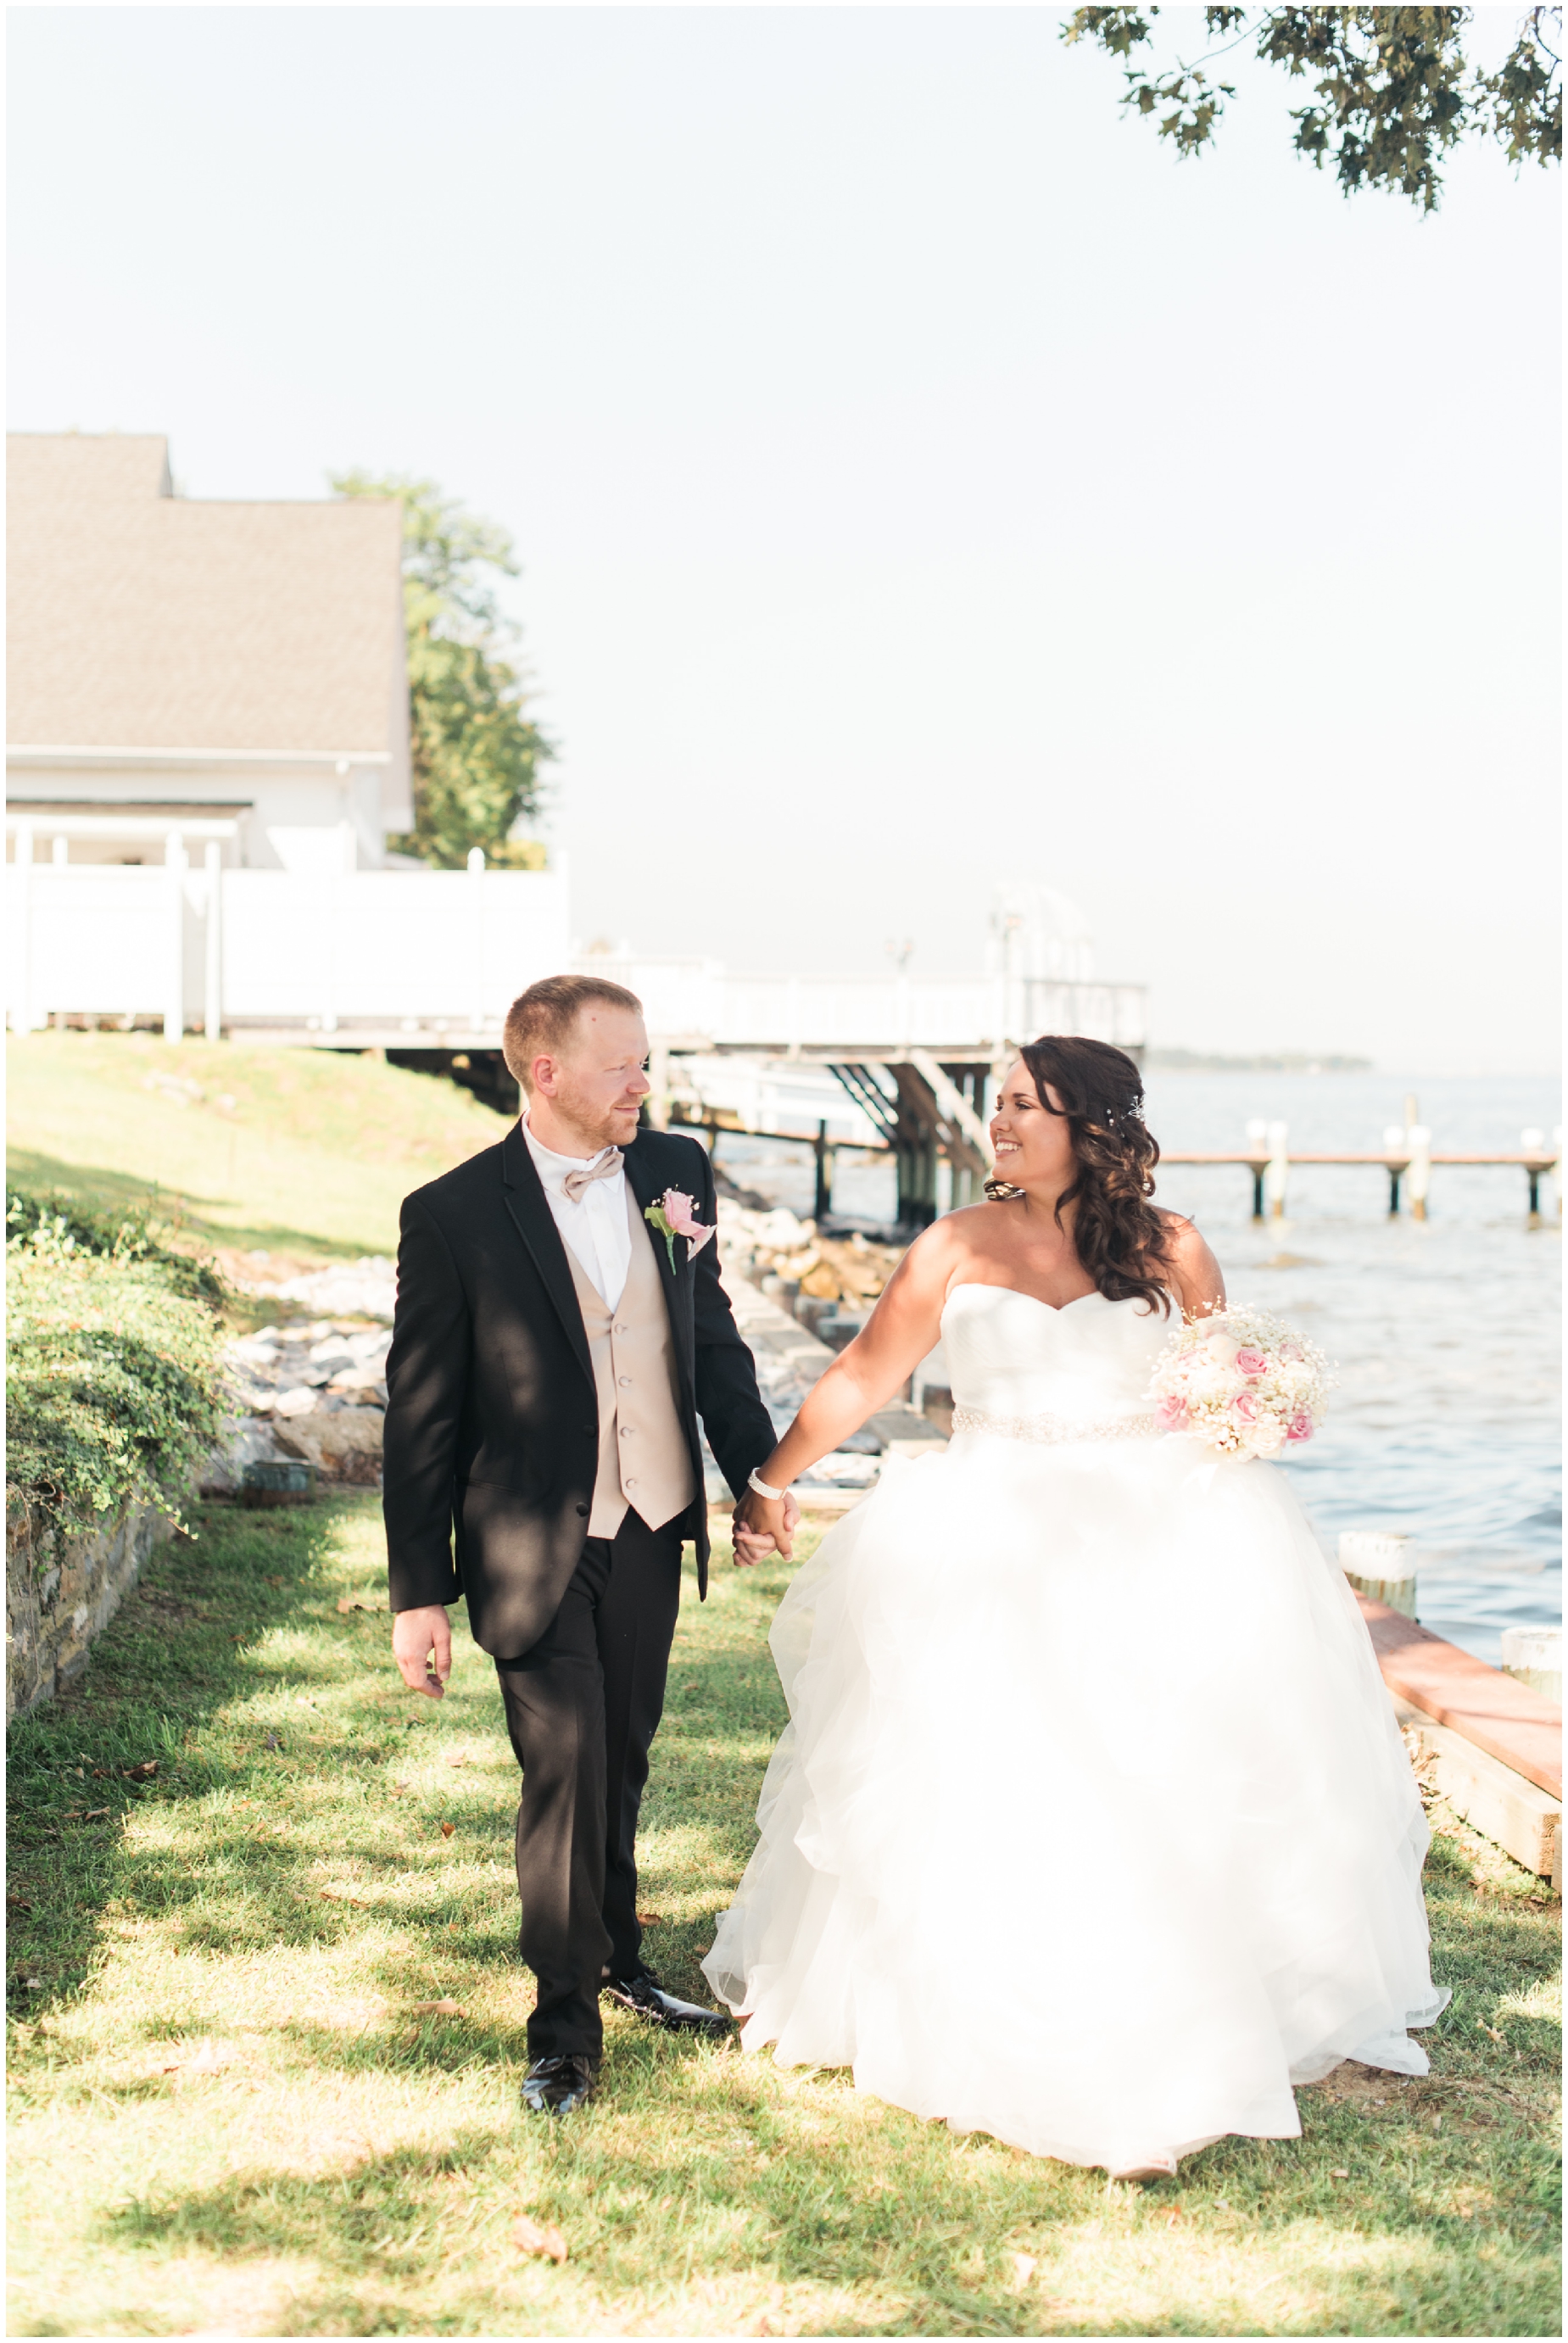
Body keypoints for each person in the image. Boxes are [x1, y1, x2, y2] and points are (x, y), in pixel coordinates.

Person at [708, 1035, 1448, 2180]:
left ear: (1089, 1122)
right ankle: (979, 1993)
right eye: (996, 1105)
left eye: (1022, 1107)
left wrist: (1248, 1418)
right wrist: (769, 1478)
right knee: (987, 1765)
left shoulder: (1173, 1247)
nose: (998, 1124)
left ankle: (1168, 2004)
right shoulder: (953, 1243)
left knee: (1153, 1770)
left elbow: (1221, 1388)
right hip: (987, 1525)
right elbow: (865, 1374)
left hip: (1156, 1528)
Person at [382, 973, 794, 2117]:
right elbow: (420, 1413)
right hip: (527, 1532)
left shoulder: (673, 1176)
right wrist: (419, 1593)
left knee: (620, 1758)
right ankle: (561, 2035)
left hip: (653, 1519)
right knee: (562, 1773)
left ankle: (618, 1966)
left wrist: (754, 1479)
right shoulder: (453, 1212)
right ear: (546, 1071)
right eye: (624, 1065)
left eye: (647, 1062)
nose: (643, 1083)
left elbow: (710, 1343)